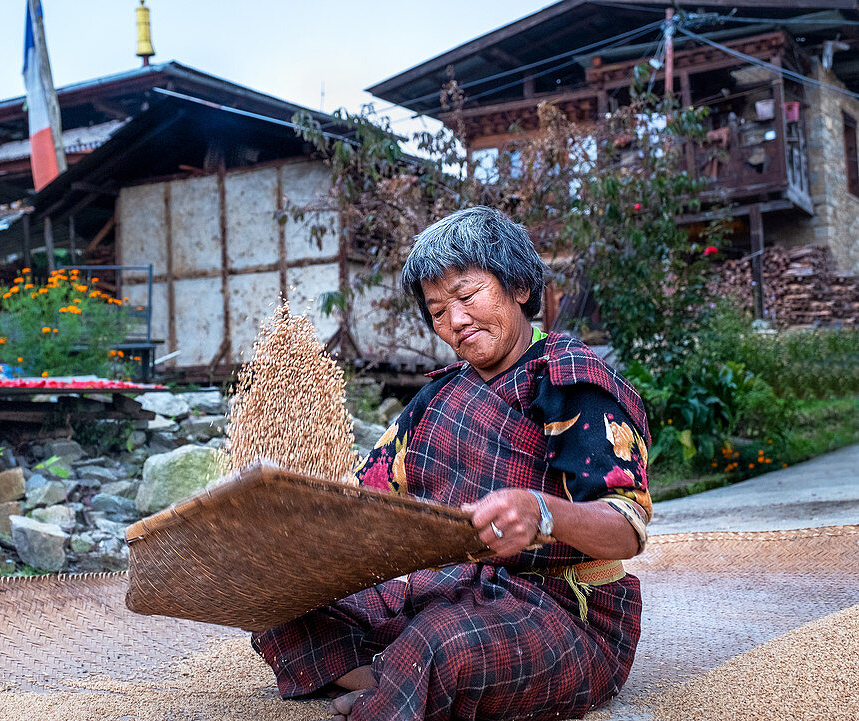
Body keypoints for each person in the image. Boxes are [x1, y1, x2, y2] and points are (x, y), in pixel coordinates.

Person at [253, 207, 652, 721]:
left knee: (441, 644)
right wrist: (281, 523)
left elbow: (627, 528)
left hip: (566, 613)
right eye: (438, 312)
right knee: (277, 603)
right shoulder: (438, 399)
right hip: (455, 593)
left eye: (467, 296)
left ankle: (401, 677)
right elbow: (366, 498)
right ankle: (397, 679)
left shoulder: (570, 380)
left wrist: (541, 511)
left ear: (520, 287)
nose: (456, 322)